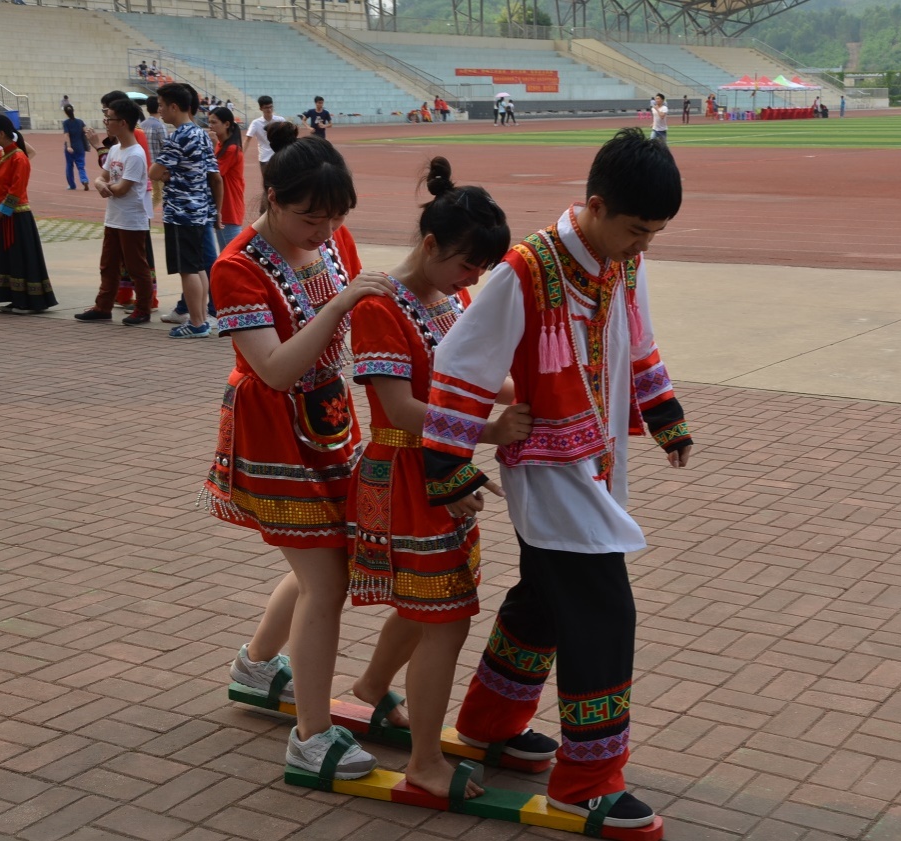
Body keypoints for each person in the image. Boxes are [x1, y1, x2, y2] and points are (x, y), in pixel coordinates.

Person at [422, 128, 692, 830]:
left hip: (597, 457)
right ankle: (587, 778)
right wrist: (446, 463)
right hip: (547, 468)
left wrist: (663, 414)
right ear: (596, 206)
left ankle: (488, 723)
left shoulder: (621, 262)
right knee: (604, 610)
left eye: (653, 234)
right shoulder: (527, 269)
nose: (642, 245)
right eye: (636, 230)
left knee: (545, 596)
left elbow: (639, 337)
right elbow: (460, 361)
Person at [346, 156, 541, 799]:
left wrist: (536, 395)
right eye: (467, 264)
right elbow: (398, 409)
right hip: (405, 470)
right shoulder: (379, 306)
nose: (473, 278)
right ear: (430, 245)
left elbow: (477, 375)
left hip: (439, 467)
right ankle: (424, 763)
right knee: (446, 617)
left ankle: (373, 687)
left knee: (428, 603)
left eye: (482, 269)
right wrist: (490, 431)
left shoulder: (449, 297)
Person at [206, 123, 395, 781]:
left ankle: (258, 665)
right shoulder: (235, 267)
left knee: (326, 557)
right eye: (310, 217)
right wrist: (341, 302)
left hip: (330, 417)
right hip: (274, 429)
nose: (325, 231)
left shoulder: (332, 237)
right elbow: (276, 369)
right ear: (273, 199)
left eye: (335, 217)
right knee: (327, 578)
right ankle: (312, 736)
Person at [150, 82, 221, 338]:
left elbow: (154, 172)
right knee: (198, 266)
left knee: (188, 269)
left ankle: (197, 323)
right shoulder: (201, 134)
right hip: (200, 209)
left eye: (161, 105)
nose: (159, 110)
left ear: (174, 107)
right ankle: (199, 319)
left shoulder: (178, 136)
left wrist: (167, 174)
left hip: (181, 212)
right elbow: (212, 173)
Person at [74, 97, 154, 326]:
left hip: (132, 220)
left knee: (137, 267)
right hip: (114, 218)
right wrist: (101, 184)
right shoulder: (116, 150)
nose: (106, 123)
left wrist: (104, 186)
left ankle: (143, 309)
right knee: (108, 265)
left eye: (109, 119)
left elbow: (122, 188)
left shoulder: (136, 154)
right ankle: (103, 306)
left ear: (123, 122)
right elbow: (103, 177)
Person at [0, 114, 56, 314]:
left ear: (1, 133)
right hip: (1, 215)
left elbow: (17, 189)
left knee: (20, 257)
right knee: (7, 257)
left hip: (17, 217)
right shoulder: (1, 155)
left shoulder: (19, 157)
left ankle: (28, 301)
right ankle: (15, 298)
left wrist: (2, 211)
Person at [209, 107, 245, 250]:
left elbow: (214, 172)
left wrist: (211, 147)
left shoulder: (231, 149)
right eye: (209, 122)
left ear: (227, 124)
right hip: (224, 206)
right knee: (227, 253)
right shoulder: (221, 145)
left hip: (229, 207)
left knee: (231, 254)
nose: (210, 126)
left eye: (214, 122)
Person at [244, 95, 288, 183]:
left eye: (271, 107)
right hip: (264, 157)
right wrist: (241, 155)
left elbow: (288, 136)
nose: (269, 110)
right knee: (267, 182)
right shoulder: (256, 123)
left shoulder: (280, 120)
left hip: (279, 155)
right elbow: (247, 139)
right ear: (261, 108)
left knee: (282, 181)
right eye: (266, 108)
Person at [140, 96, 168, 204]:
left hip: (144, 166)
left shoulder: (141, 125)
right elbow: (166, 148)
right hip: (157, 167)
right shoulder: (160, 126)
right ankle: (145, 212)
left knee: (148, 194)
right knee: (157, 196)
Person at [62, 105, 89, 191]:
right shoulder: (80, 121)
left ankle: (72, 185)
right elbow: (86, 131)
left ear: (65, 113)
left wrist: (69, 146)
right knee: (81, 166)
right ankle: (84, 180)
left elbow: (67, 135)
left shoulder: (66, 123)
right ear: (73, 110)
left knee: (69, 166)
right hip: (80, 147)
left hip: (71, 148)